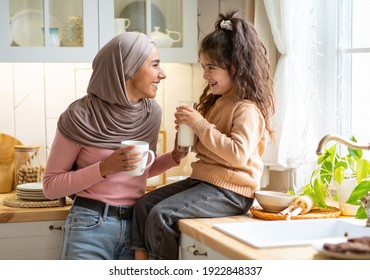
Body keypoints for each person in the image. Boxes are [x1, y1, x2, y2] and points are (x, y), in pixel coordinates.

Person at [131, 11, 275, 260]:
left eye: (211, 68)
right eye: (203, 67)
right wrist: (187, 134)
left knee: (161, 214)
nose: (205, 75)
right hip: (205, 183)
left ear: (236, 68)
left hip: (232, 192)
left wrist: (199, 126)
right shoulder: (217, 103)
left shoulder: (247, 109)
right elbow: (205, 148)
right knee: (143, 205)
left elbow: (237, 155)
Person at [43, 32, 185, 260]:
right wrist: (103, 168)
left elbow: (139, 171)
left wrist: (175, 156)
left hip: (137, 229)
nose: (163, 74)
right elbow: (51, 186)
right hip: (89, 226)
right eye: (155, 65)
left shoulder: (151, 113)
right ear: (128, 67)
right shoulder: (80, 115)